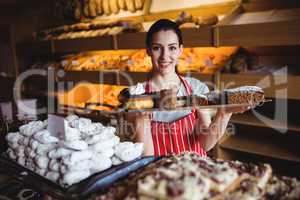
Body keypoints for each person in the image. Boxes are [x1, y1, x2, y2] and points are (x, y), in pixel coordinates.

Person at [127, 19, 252, 156]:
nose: (165, 56)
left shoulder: (196, 88)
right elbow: (146, 157)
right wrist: (140, 119)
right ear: (148, 51)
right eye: (157, 48)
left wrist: (224, 113)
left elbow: (206, 144)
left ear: (180, 50)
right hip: (159, 173)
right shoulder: (137, 96)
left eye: (172, 48)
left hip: (195, 169)